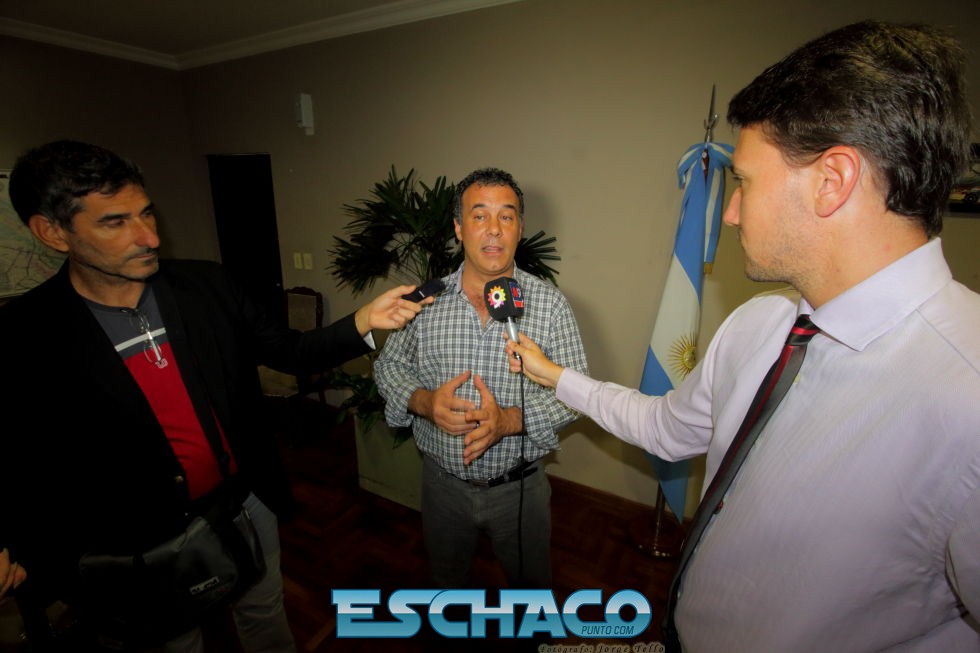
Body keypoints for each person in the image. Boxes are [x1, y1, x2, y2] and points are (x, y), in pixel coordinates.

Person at [505, 20, 980, 653]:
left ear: (832, 180)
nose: (729, 213)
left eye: (745, 182)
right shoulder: (758, 324)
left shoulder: (967, 397)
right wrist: (554, 375)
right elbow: (666, 429)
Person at [0, 139, 432, 652]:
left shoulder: (206, 285)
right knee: (179, 641)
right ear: (52, 231)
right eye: (115, 222)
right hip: (142, 538)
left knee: (264, 614)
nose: (149, 236)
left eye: (146, 213)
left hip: (243, 502)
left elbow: (291, 351)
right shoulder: (24, 333)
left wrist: (364, 319)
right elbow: (18, 452)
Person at [373, 167, 588, 589]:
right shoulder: (425, 301)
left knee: (529, 594)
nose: (493, 229)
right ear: (458, 228)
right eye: (479, 216)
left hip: (519, 490)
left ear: (519, 228)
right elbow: (388, 367)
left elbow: (576, 393)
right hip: (442, 487)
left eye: (506, 216)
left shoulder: (551, 305)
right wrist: (424, 402)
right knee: (446, 587)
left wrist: (509, 421)